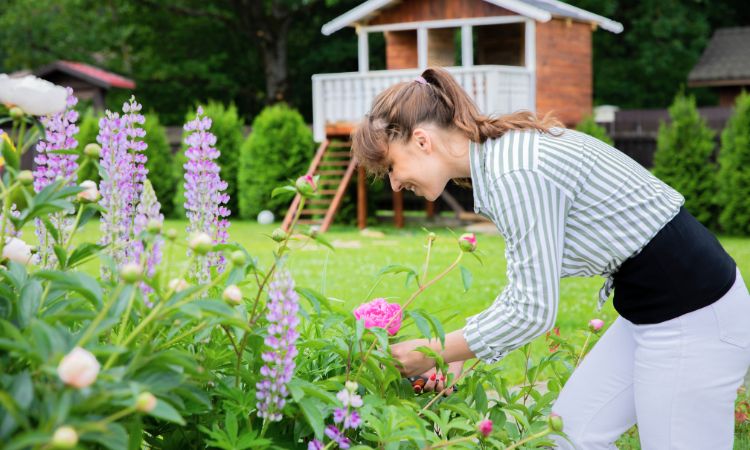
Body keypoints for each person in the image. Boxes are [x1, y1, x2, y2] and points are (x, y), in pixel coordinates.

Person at [350, 66, 750, 449]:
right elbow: (524, 289)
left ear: (422, 141)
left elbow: (532, 311)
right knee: (572, 433)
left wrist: (434, 350)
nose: (396, 183)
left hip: (695, 314)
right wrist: (454, 353)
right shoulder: (501, 161)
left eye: (391, 167)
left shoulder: (514, 172)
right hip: (652, 310)